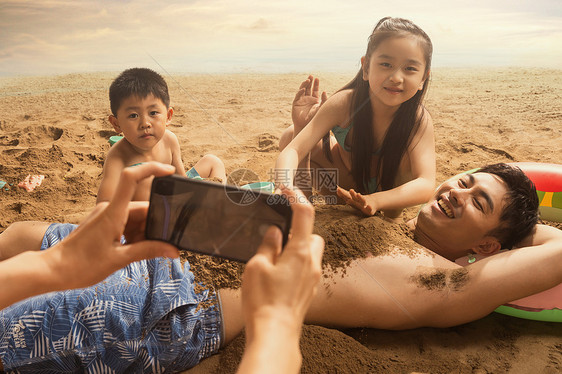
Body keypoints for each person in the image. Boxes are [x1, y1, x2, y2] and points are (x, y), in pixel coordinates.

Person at [1, 163, 561, 372]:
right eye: (465, 180)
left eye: (478, 203)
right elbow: (284, 176)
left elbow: (550, 252)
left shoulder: (440, 282)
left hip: (171, 305)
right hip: (152, 242)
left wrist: (527, 219)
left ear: (489, 248)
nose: (458, 194)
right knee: (21, 236)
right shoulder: (367, 209)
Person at [0, 163, 324, 373]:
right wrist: (277, 326)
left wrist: (55, 265)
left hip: (103, 265)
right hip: (162, 309)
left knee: (17, 236)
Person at [276, 17, 436, 218]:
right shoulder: (344, 103)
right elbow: (294, 149)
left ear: (423, 78)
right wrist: (284, 188)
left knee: (407, 156)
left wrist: (376, 200)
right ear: (366, 67)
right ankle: (308, 202)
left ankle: (386, 213)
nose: (396, 77)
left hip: (389, 198)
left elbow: (426, 184)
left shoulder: (418, 120)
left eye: (410, 69)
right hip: (347, 188)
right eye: (386, 64)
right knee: (290, 136)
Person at [97, 67, 226, 203]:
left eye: (153, 113)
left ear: (168, 116)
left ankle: (219, 205)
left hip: (172, 198)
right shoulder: (118, 158)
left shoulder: (169, 140)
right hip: (148, 213)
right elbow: (103, 205)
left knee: (213, 162)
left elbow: (181, 181)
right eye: (133, 115)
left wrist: (188, 197)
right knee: (146, 181)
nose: (145, 123)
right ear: (116, 124)